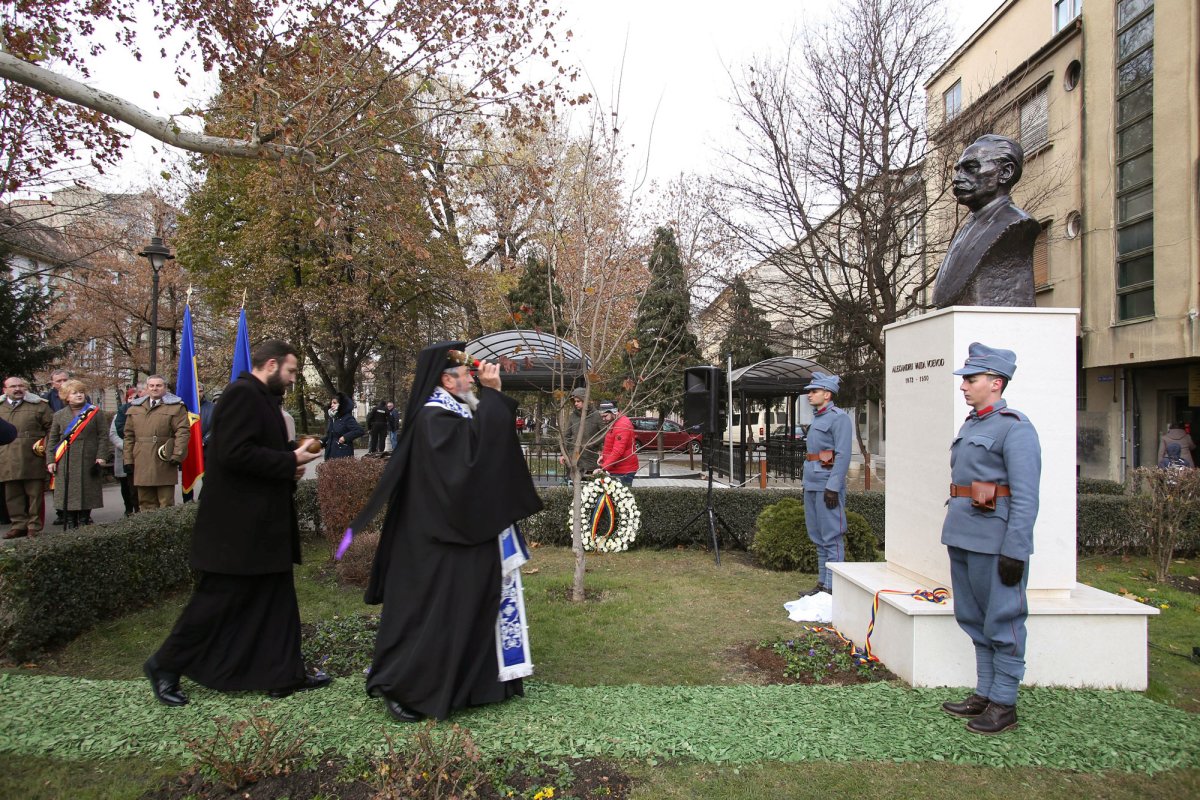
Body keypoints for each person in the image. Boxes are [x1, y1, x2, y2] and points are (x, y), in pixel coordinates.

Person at [345, 342, 542, 722]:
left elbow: (482, 451)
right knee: (434, 616)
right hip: (439, 542)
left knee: (470, 606)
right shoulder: (435, 419)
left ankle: (477, 684)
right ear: (445, 380)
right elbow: (470, 466)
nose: (472, 376)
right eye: (466, 372)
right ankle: (405, 688)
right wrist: (496, 397)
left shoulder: (453, 413)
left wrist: (491, 402)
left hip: (455, 535)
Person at [144, 339, 327, 706]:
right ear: (271, 364)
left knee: (276, 602)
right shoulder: (242, 395)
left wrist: (288, 464)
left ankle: (283, 674)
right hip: (239, 529)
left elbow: (255, 453)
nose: (292, 379)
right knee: (217, 601)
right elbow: (234, 454)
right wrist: (289, 460)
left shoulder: (260, 398)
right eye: (291, 371)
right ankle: (164, 664)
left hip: (263, 526)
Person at [940, 343, 1041, 736]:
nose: (964, 385)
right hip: (964, 535)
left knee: (1004, 621)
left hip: (996, 541)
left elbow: (1026, 496)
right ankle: (983, 693)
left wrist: (1016, 548)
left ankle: (1004, 703)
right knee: (973, 618)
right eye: (965, 379)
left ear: (996, 383)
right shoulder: (973, 424)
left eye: (972, 379)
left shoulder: (1016, 428)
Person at [931, 134, 1042, 309]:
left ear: (1005, 172)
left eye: (970, 168)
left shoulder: (1017, 224)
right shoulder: (968, 228)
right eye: (958, 170)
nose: (957, 178)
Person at [800, 373, 853, 596]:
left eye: (814, 391)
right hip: (812, 482)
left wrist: (833, 485)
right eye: (809, 391)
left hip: (826, 484)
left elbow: (842, 455)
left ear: (827, 394)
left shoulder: (838, 418)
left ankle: (832, 587)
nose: (809, 395)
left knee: (832, 536)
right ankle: (822, 583)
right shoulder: (819, 418)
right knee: (818, 535)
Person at [45, 379, 110, 529]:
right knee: (67, 492)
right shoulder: (59, 415)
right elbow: (53, 438)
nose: (79, 395)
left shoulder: (95, 413)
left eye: (81, 392)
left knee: (88, 490)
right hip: (65, 459)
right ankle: (70, 521)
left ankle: (84, 520)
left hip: (89, 457)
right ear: (66, 396)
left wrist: (101, 456)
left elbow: (103, 436)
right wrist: (50, 460)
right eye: (75, 393)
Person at [124, 375, 190, 509]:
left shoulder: (176, 407)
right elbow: (129, 436)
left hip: (164, 459)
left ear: (165, 387)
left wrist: (177, 454)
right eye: (151, 386)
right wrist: (128, 459)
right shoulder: (135, 408)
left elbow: (182, 432)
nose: (155, 388)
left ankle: (166, 530)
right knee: (145, 503)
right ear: (147, 388)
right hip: (141, 459)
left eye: (158, 385)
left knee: (166, 503)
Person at [0, 376, 53, 538]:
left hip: (32, 456)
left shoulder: (39, 405)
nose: (17, 389)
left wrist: (45, 446)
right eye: (13, 386)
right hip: (6, 456)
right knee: (12, 494)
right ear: (5, 390)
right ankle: (18, 524)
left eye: (21, 386)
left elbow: (52, 427)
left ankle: (34, 526)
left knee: (34, 494)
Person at [112, 386, 142, 515]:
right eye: (130, 397)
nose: (132, 399)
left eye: (135, 396)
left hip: (140, 452)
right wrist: (127, 445)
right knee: (126, 485)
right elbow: (114, 433)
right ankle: (129, 509)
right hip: (124, 452)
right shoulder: (121, 413)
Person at [559, 387, 601, 477]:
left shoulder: (596, 415)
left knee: (590, 486)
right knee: (573, 483)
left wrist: (593, 445)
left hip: (591, 457)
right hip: (574, 456)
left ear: (585, 400)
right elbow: (567, 436)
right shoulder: (573, 416)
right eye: (575, 401)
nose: (576, 403)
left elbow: (603, 434)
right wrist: (564, 454)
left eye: (578, 401)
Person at [595, 400, 638, 486]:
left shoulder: (622, 426)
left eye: (605, 416)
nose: (603, 419)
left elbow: (618, 451)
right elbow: (611, 444)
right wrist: (604, 456)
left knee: (620, 498)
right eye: (602, 416)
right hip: (616, 468)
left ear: (614, 412)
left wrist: (602, 468)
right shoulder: (614, 422)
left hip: (623, 470)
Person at [323, 392, 364, 459]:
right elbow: (330, 435)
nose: (332, 405)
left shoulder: (347, 418)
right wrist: (320, 442)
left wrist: (345, 437)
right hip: (330, 454)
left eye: (334, 403)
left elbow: (359, 430)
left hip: (342, 454)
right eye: (331, 403)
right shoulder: (332, 418)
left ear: (341, 405)